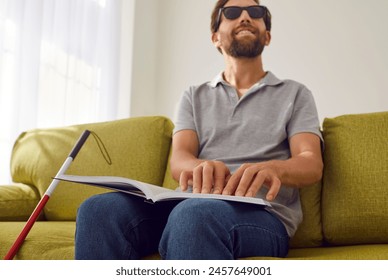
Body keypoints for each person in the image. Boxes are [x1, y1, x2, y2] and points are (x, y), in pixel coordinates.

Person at [74, 0, 323, 260]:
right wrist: (199, 167)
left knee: (193, 216)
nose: (246, 17)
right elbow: (180, 160)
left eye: (256, 12)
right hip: (189, 204)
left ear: (267, 36)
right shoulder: (194, 96)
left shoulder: (295, 93)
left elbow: (311, 163)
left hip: (261, 216)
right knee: (98, 209)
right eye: (233, 13)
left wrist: (274, 169)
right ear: (216, 37)